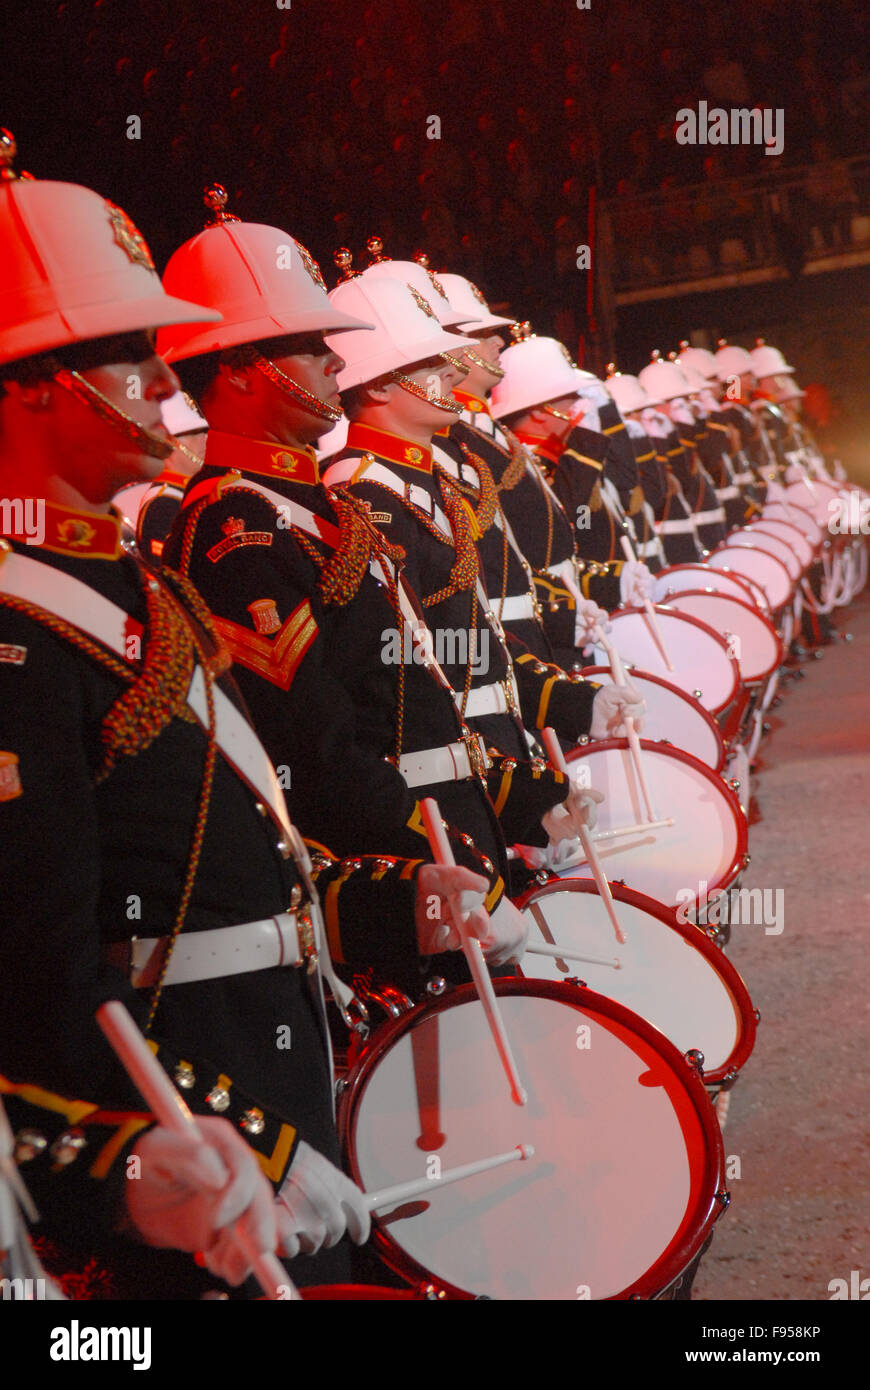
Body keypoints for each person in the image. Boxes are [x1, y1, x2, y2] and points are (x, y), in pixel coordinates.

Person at [0, 138, 481, 1298]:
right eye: (125, 356)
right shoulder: (20, 630)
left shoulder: (126, 585)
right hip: (188, 1136)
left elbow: (219, 850)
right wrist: (198, 1151)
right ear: (25, 384)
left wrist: (386, 894)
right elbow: (41, 975)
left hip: (263, 1055)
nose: (168, 384)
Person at [158, 189, 529, 986]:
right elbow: (317, 749)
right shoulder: (236, 527)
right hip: (390, 868)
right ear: (238, 367)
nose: (336, 361)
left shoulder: (309, 505)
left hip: (436, 834)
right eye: (309, 346)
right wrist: (439, 861)